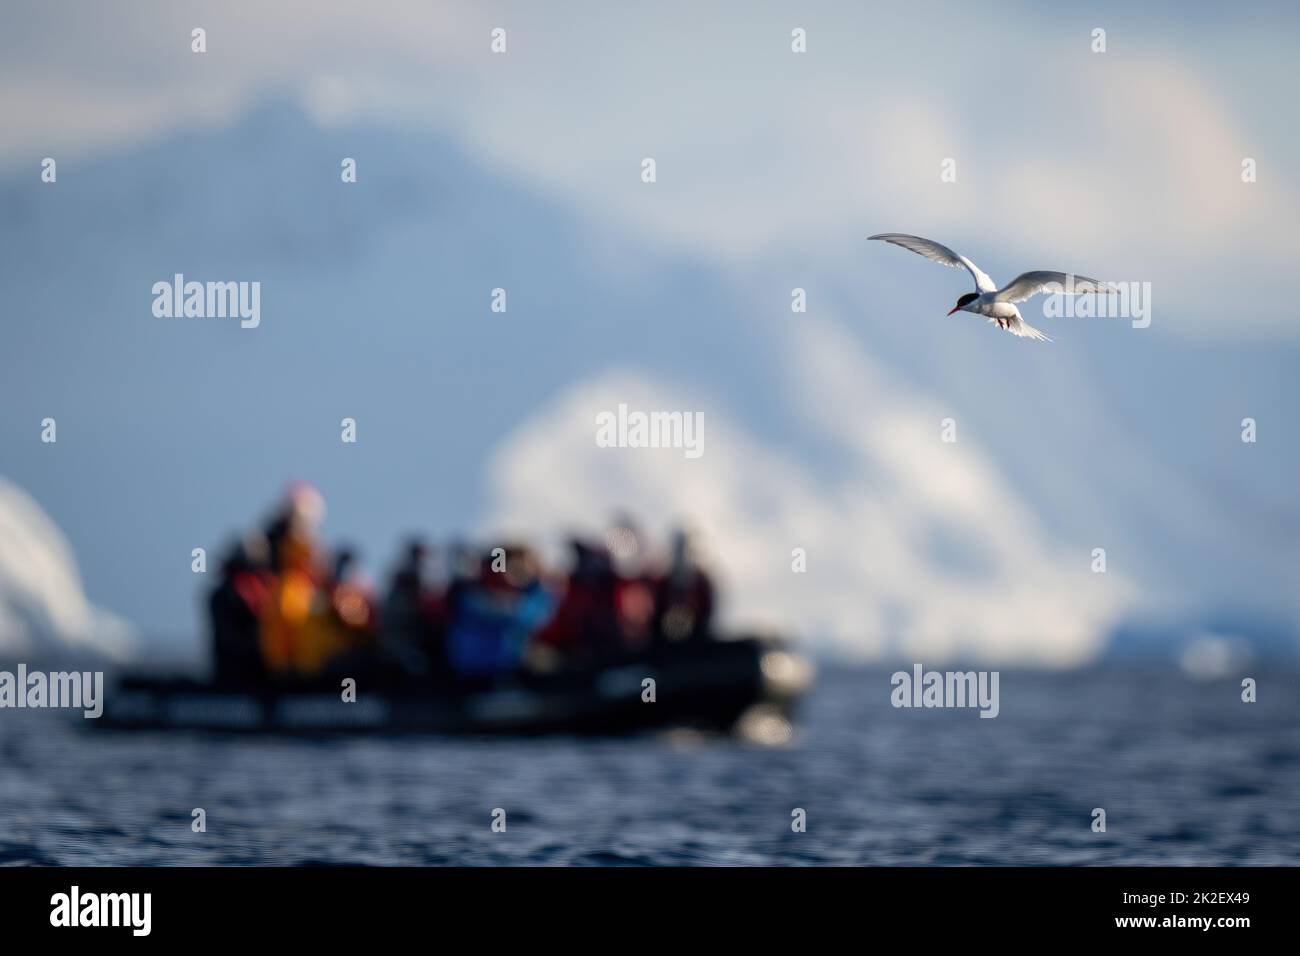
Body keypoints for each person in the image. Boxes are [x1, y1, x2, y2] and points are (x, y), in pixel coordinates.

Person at [208, 533, 271, 685]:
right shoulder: (223, 597)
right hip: (234, 677)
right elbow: (230, 640)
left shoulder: (268, 593)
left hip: (254, 678)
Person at [652, 527, 715, 644]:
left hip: (697, 639)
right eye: (678, 548)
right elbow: (656, 614)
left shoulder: (701, 581)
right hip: (665, 643)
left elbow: (707, 614)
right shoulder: (662, 582)